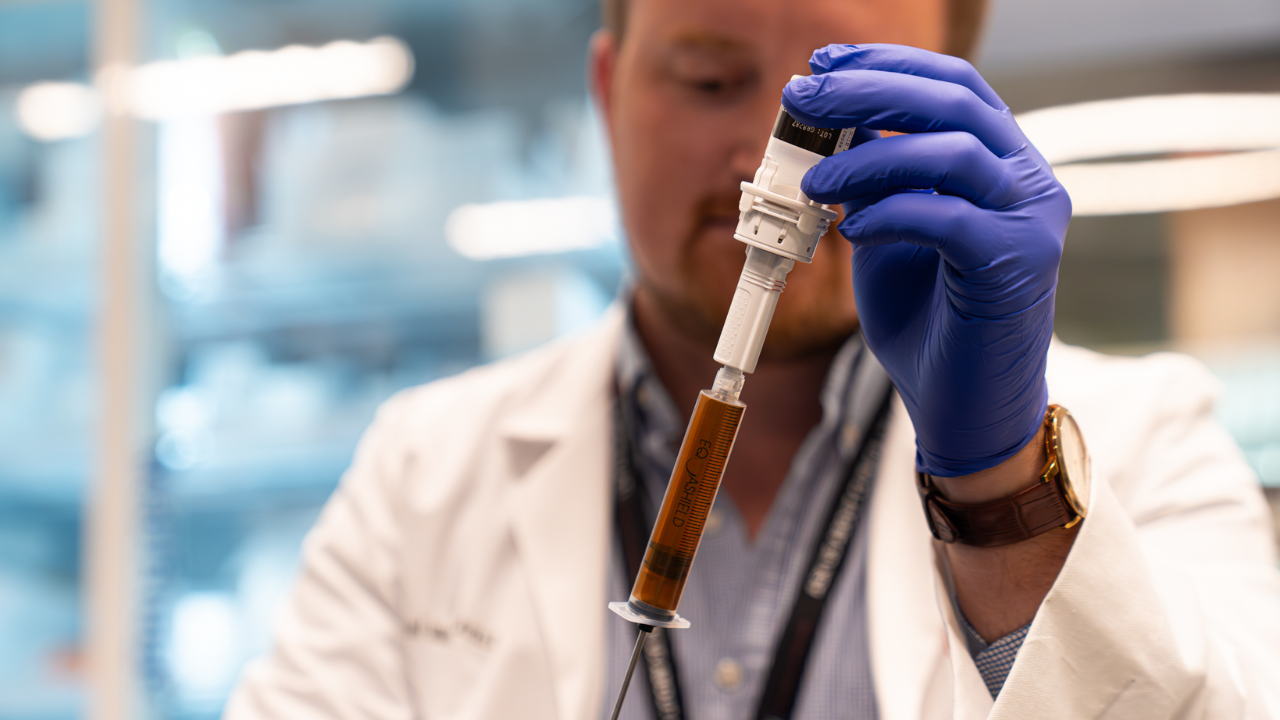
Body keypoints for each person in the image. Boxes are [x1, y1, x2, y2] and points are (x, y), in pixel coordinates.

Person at [224, 0, 1280, 717]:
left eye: (864, 101)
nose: (762, 158)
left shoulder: (1151, 437)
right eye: (706, 78)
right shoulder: (425, 468)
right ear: (606, 92)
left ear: (954, 118)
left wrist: (1001, 489)